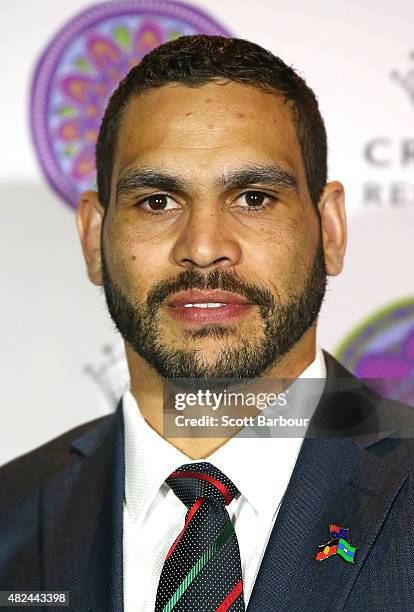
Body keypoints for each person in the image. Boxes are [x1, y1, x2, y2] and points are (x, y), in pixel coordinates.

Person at [1, 34, 413, 612]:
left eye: (253, 197)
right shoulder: (10, 515)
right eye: (157, 202)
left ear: (331, 229)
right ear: (95, 239)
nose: (203, 247)